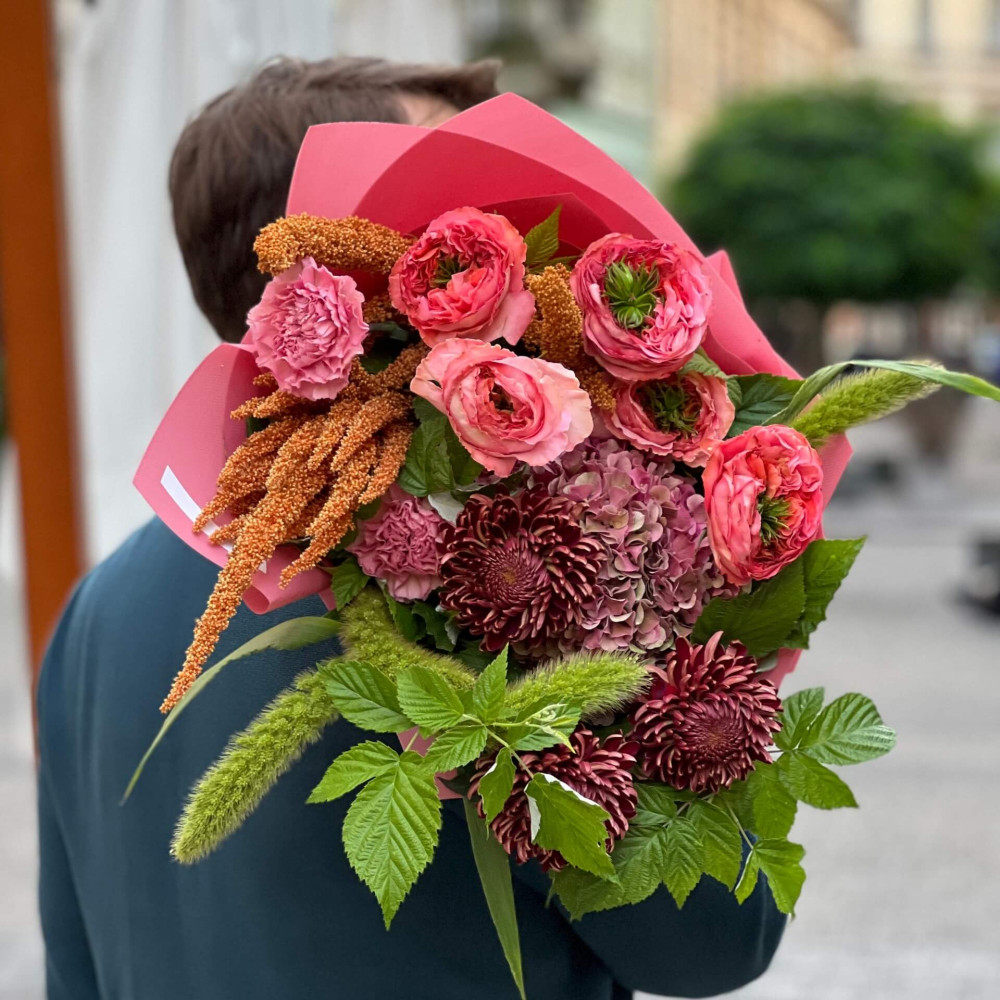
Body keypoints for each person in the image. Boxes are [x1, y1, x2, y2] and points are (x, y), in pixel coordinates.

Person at [36, 56, 785, 1000]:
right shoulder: (490, 595)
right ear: (337, 277)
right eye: (457, 203)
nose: (515, 241)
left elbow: (76, 967)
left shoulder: (93, 614)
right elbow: (715, 939)